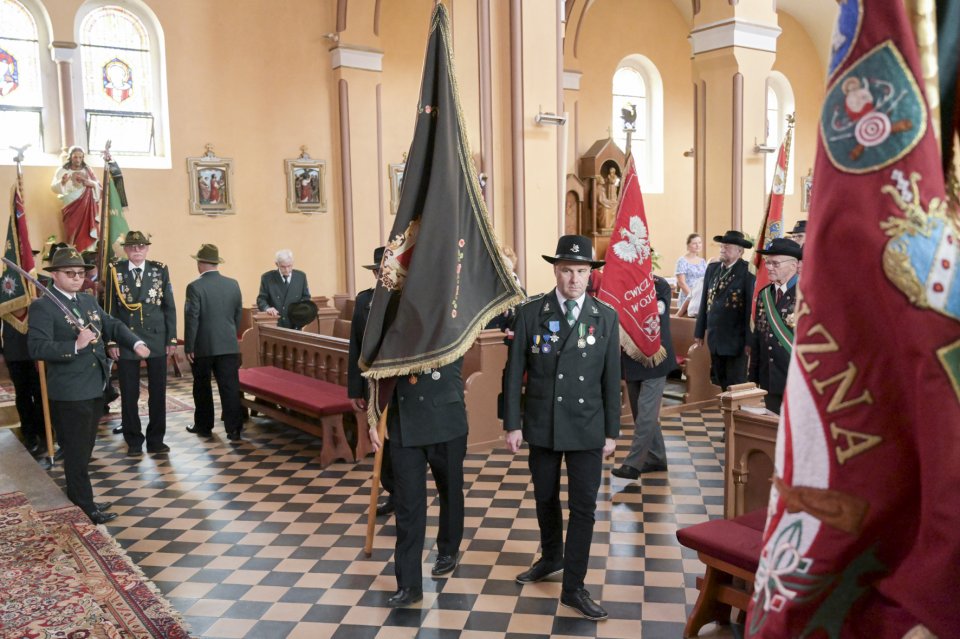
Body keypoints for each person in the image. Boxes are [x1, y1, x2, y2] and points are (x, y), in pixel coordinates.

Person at [503, 234, 621, 621]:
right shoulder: (531, 312)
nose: (574, 279)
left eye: (581, 271)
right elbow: (513, 373)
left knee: (584, 508)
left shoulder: (605, 316)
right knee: (545, 497)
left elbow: (610, 378)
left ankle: (574, 587)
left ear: (591, 274)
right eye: (567, 270)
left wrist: (611, 432)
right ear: (556, 270)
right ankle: (550, 556)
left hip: (587, 426)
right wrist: (513, 423)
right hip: (543, 424)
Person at [28, 247, 149, 524]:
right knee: (76, 451)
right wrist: (75, 344)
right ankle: (83, 504)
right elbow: (36, 347)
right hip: (70, 392)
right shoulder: (43, 306)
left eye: (81, 273)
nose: (76, 278)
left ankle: (83, 497)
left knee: (84, 449)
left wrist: (135, 342)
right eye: (70, 273)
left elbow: (111, 324)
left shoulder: (87, 301)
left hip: (95, 387)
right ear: (55, 275)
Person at [367, 358, 468, 608]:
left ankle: (448, 549)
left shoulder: (449, 320)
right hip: (404, 421)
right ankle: (409, 585)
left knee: (450, 489)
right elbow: (374, 363)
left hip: (446, 416)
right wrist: (373, 415)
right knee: (408, 504)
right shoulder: (390, 322)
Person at [106, 231, 177, 456]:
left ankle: (156, 440)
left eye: (141, 247)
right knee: (129, 393)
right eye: (132, 247)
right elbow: (110, 309)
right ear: (126, 250)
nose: (137, 250)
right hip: (127, 339)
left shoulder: (160, 269)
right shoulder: (115, 271)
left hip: (156, 338)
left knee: (158, 392)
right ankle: (134, 441)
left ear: (147, 249)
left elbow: (169, 306)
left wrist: (171, 338)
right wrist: (112, 340)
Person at [612, 275, 678, 479]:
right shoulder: (619, 284)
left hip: (654, 356)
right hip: (631, 358)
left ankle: (633, 464)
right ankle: (656, 457)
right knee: (640, 412)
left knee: (646, 413)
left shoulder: (660, 285)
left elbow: (655, 315)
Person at [348, 246, 395, 517]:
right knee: (381, 445)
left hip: (399, 385)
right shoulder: (364, 301)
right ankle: (393, 493)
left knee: (398, 442)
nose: (381, 275)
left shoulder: (403, 301)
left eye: (385, 270)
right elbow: (355, 347)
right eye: (378, 271)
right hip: (373, 384)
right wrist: (355, 388)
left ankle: (404, 493)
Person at [184, 244, 244, 441]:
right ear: (217, 263)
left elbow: (193, 318)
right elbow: (237, 314)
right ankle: (234, 429)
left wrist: (189, 346)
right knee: (229, 386)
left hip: (203, 346)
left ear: (200, 264)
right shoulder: (233, 284)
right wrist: (229, 334)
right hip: (228, 344)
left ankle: (204, 426)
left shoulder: (194, 287)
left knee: (202, 386)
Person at [694, 230, 755, 391]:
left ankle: (737, 415)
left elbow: (750, 308)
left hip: (736, 340)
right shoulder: (712, 269)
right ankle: (726, 414)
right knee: (719, 379)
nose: (722, 249)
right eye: (722, 246)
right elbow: (704, 301)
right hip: (715, 337)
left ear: (740, 251)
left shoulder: (747, 271)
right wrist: (699, 332)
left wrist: (750, 341)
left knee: (736, 383)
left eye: (727, 247)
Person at [749, 238, 802, 414]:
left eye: (775, 263)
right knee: (772, 433)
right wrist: (754, 377)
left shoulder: (808, 295)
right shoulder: (765, 294)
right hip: (769, 378)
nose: (769, 267)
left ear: (794, 266)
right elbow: (758, 337)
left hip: (797, 380)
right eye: (767, 262)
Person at [1, 318, 44, 456]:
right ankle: (29, 436)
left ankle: (44, 435)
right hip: (13, 351)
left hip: (38, 351)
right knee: (22, 396)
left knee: (40, 395)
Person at [50, 147, 100, 252]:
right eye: (75, 157)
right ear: (70, 157)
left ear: (83, 158)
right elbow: (53, 187)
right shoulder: (63, 170)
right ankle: (73, 253)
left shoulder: (88, 170)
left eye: (80, 157)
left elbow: (98, 186)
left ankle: (88, 252)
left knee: (87, 230)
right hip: (70, 206)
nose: (78, 160)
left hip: (87, 205)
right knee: (72, 230)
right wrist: (62, 182)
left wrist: (90, 183)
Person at [256, 249, 312, 329]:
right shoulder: (267, 278)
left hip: (295, 324)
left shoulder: (301, 276)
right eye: (283, 267)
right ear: (276, 264)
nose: (287, 270)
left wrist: (301, 309)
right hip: (275, 323)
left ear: (292, 263)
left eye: (289, 266)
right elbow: (261, 299)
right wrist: (267, 308)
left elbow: (306, 298)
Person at [675, 233, 707, 307]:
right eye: (694, 243)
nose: (698, 245)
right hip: (688, 297)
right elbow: (681, 283)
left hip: (700, 297)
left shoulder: (702, 261)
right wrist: (692, 297)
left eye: (699, 243)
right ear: (688, 245)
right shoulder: (682, 261)